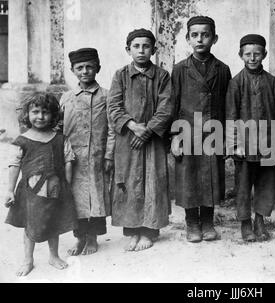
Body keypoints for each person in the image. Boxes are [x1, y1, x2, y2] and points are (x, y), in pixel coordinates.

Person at [108, 28, 173, 251]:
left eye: (146, 46)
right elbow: (113, 106)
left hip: (153, 140)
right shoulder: (120, 75)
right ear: (128, 49)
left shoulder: (162, 76)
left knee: (152, 181)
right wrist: (133, 126)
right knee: (129, 182)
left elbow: (166, 108)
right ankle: (132, 230)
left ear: (153, 49)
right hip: (128, 139)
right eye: (136, 46)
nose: (141, 50)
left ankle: (149, 231)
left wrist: (148, 131)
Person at [171, 16, 231, 242]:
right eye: (195, 35)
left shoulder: (222, 69)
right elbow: (173, 104)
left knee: (211, 178)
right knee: (189, 178)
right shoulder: (179, 69)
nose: (200, 39)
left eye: (205, 35)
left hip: (213, 131)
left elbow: (228, 105)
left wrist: (226, 137)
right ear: (188, 38)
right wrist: (175, 137)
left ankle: (207, 221)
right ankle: (191, 223)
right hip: (187, 130)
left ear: (214, 38)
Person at [4, 93, 78, 276]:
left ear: (53, 115)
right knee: (30, 224)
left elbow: (69, 160)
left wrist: (67, 185)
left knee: (54, 222)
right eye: (35, 111)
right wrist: (9, 191)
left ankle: (54, 256)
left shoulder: (60, 138)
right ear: (27, 114)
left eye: (45, 112)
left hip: (55, 189)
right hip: (30, 191)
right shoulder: (23, 140)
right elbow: (14, 165)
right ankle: (28, 259)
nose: (40, 116)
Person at [225, 34, 275, 241]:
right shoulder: (236, 83)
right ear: (241, 55)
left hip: (267, 142)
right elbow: (230, 115)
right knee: (243, 186)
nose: (252, 58)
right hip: (244, 145)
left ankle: (260, 220)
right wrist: (234, 144)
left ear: (264, 54)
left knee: (265, 184)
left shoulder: (272, 82)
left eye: (257, 54)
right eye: (247, 54)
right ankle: (245, 223)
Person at [60, 48, 115, 256]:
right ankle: (79, 238)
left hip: (97, 157)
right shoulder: (66, 98)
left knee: (95, 198)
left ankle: (92, 238)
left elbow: (112, 129)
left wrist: (109, 154)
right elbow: (59, 129)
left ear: (97, 68)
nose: (85, 71)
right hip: (72, 159)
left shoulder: (107, 96)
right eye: (80, 67)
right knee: (75, 199)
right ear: (73, 70)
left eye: (89, 67)